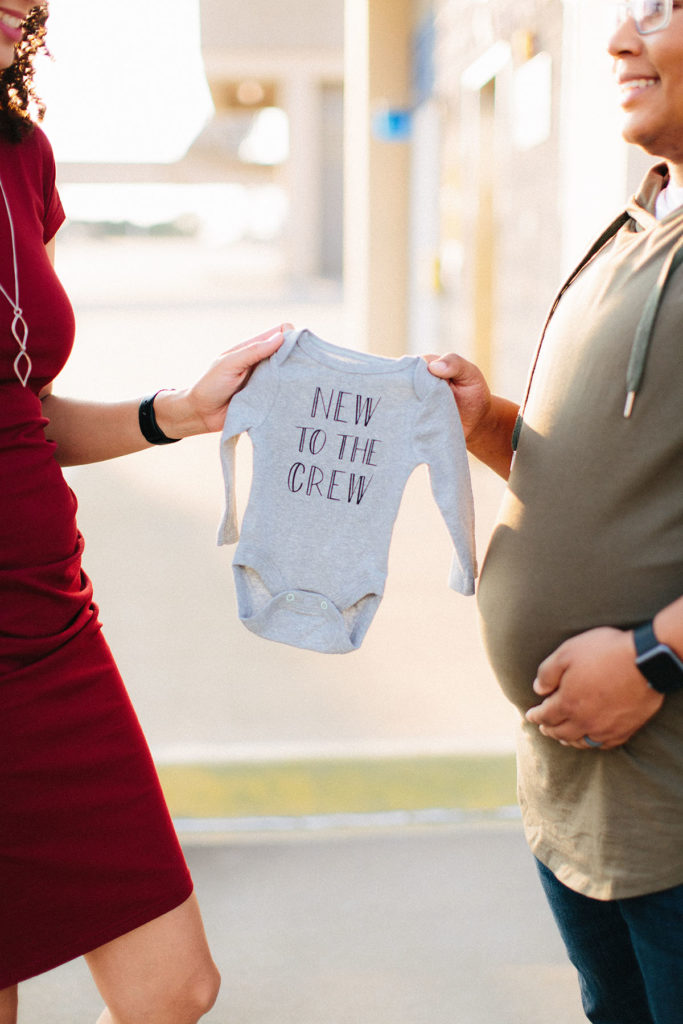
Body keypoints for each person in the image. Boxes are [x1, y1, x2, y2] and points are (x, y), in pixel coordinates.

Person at [0, 4, 289, 1022]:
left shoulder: (21, 158)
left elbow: (23, 412)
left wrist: (185, 411)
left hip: (47, 626)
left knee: (174, 986)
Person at [429, 2, 683, 1022]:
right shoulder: (640, 218)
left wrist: (653, 654)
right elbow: (605, 465)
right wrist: (483, 420)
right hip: (579, 805)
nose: (618, 40)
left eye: (660, 9)